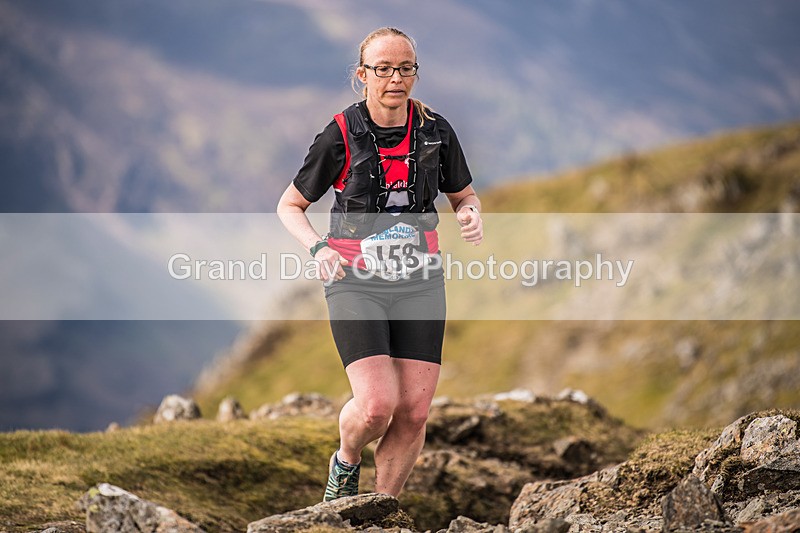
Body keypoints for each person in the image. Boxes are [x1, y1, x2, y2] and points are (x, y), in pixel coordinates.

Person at [277, 26, 482, 501]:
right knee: (375, 408)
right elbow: (289, 206)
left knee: (413, 412)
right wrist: (317, 248)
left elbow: (464, 195)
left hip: (420, 282)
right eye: (384, 68)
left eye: (405, 68)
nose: (396, 78)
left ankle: (381, 510)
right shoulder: (341, 133)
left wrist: (470, 215)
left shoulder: (436, 130)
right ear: (362, 75)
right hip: (354, 281)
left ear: (415, 73)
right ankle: (346, 459)